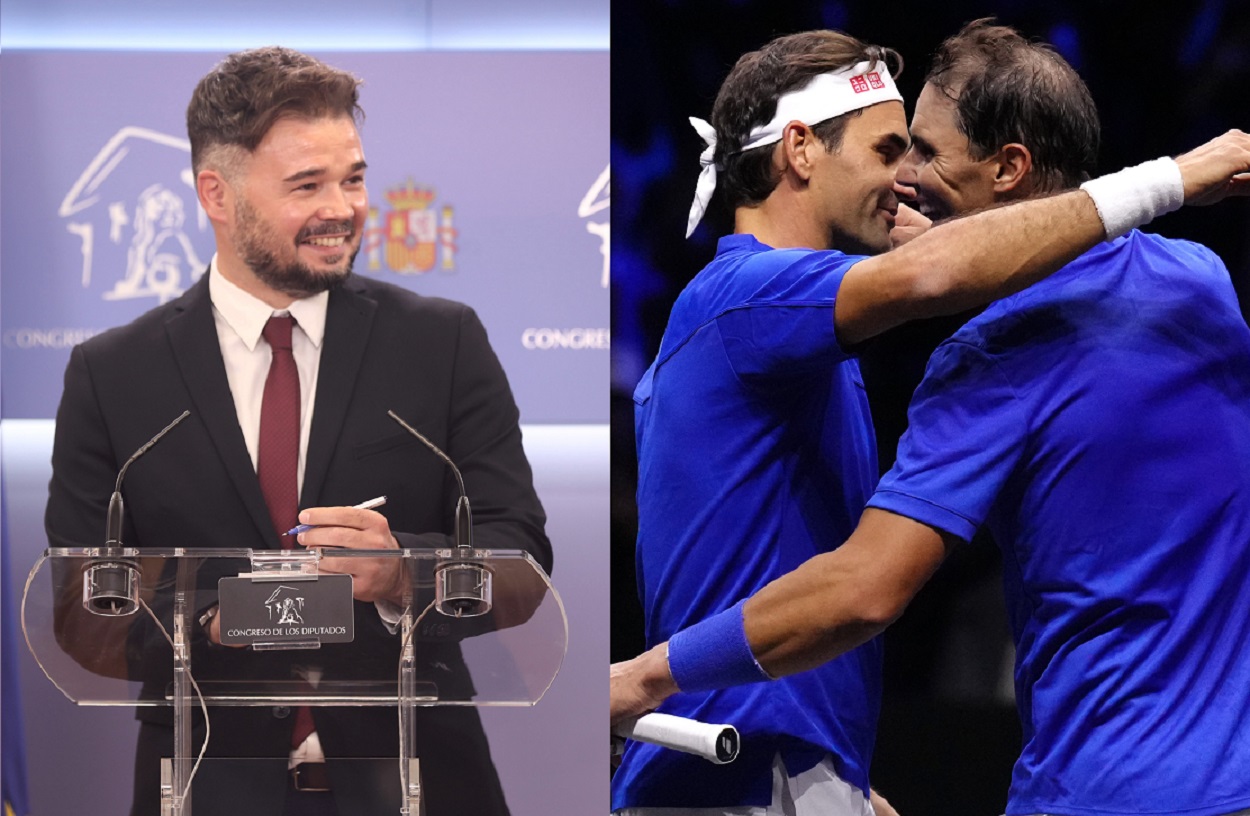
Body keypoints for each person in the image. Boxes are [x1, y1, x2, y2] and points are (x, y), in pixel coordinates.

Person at [612, 19, 1250, 816]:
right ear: (799, 151)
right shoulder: (1200, 279)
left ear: (1009, 167)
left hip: (1071, 791)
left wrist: (821, 768)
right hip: (730, 767)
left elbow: (861, 588)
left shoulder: (982, 358)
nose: (907, 179)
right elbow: (932, 276)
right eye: (890, 150)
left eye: (917, 152)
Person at [45, 46, 550, 816]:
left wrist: (400, 573)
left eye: (352, 178)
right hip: (205, 787)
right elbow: (83, 609)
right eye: (307, 185)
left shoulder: (442, 343)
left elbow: (522, 558)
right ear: (217, 193)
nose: (343, 208)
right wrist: (206, 626)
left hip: (419, 782)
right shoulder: (113, 375)